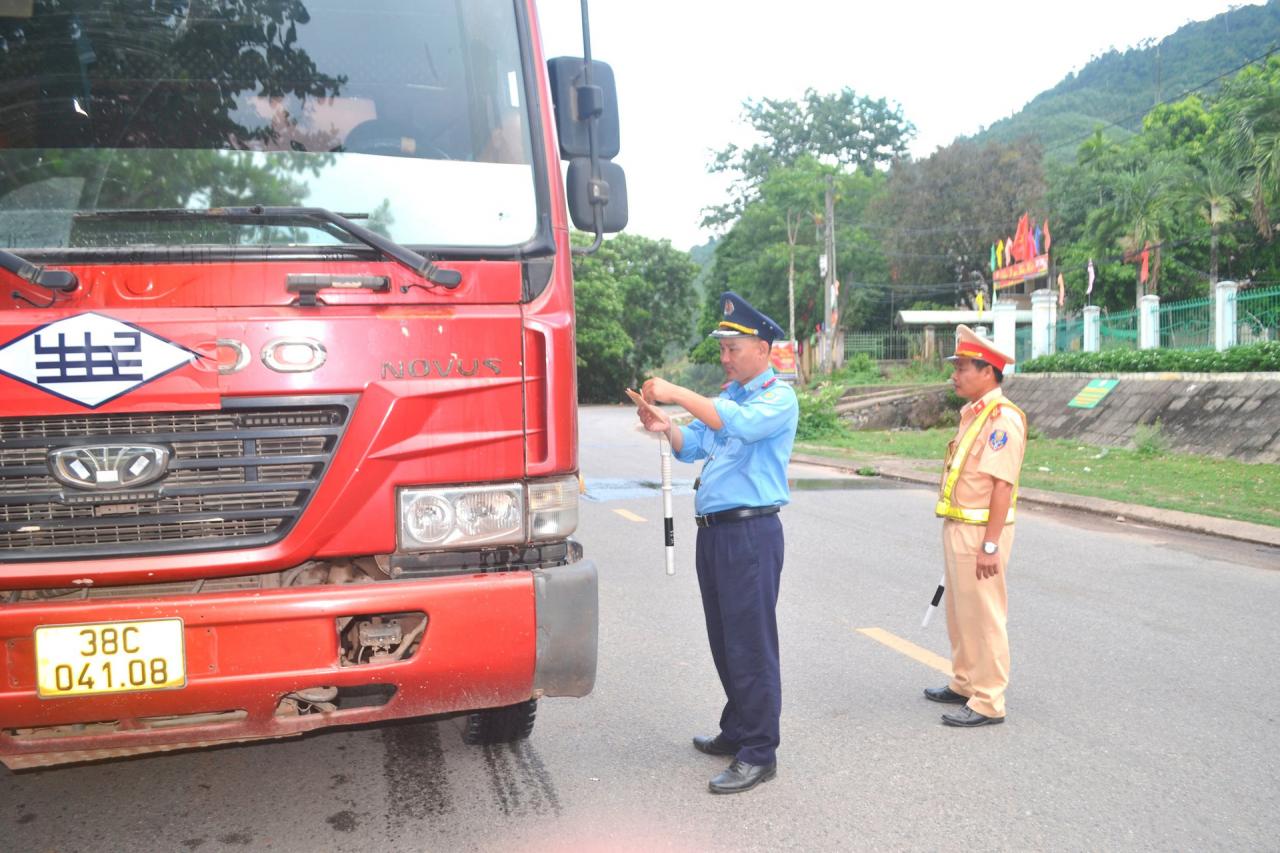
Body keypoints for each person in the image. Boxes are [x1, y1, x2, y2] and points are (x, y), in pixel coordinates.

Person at [633, 291, 798, 794]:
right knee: (726, 641)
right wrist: (666, 427)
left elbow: (735, 427)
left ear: (763, 350)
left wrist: (678, 394)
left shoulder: (776, 398)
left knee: (751, 644)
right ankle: (737, 729)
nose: (724, 358)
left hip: (751, 533)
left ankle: (759, 751)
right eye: (722, 349)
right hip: (717, 535)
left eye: (732, 348)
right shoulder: (731, 398)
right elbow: (695, 447)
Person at [925, 325, 1027, 727]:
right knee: (960, 611)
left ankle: (988, 700)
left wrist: (989, 546)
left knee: (984, 615)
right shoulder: (975, 414)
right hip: (960, 526)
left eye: (963, 367)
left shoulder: (1003, 420)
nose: (955, 374)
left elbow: (1002, 486)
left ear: (988, 372)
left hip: (983, 534)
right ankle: (965, 682)